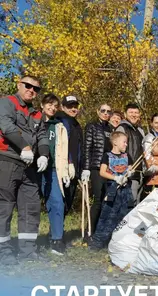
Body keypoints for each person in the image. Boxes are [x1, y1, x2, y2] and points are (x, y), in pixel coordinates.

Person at [0, 75, 49, 264]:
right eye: (28, 86)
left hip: (29, 167)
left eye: (36, 89)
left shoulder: (37, 113)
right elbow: (6, 125)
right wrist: (24, 147)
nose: (31, 90)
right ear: (19, 85)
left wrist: (43, 154)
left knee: (30, 207)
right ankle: (4, 252)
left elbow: (43, 135)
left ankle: (27, 251)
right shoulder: (7, 102)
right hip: (8, 160)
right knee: (4, 207)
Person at [88, 131, 133, 250]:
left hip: (125, 190)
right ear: (115, 142)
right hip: (113, 189)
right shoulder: (106, 156)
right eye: (124, 142)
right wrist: (115, 177)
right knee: (107, 216)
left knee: (125, 216)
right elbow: (102, 172)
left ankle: (120, 243)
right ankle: (98, 242)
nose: (126, 145)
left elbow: (130, 168)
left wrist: (129, 173)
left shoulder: (127, 156)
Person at [39, 94, 71, 255]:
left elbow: (64, 151)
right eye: (49, 104)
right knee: (29, 206)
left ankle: (56, 239)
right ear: (42, 105)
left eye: (54, 106)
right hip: (33, 169)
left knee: (57, 202)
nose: (52, 108)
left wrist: (65, 171)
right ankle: (29, 241)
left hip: (53, 170)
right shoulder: (34, 121)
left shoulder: (59, 127)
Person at [82, 104, 113, 234]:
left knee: (107, 200)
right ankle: (90, 231)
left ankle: (100, 231)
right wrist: (86, 168)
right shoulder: (92, 126)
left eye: (108, 111)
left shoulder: (110, 129)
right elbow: (87, 147)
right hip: (95, 167)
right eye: (103, 111)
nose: (106, 113)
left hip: (108, 168)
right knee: (98, 199)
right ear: (97, 111)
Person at [55, 95, 83, 214]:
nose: (73, 109)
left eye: (75, 106)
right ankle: (56, 232)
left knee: (68, 202)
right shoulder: (60, 121)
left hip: (74, 170)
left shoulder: (76, 124)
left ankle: (59, 231)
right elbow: (60, 146)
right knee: (60, 202)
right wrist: (68, 163)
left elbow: (79, 148)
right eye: (69, 106)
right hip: (63, 169)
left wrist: (81, 169)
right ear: (62, 107)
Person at [116, 103, 145, 205]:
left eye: (136, 112)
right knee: (128, 204)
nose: (134, 115)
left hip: (140, 173)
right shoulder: (122, 128)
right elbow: (118, 151)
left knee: (137, 204)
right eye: (131, 112)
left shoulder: (140, 130)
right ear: (125, 114)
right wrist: (124, 169)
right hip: (128, 174)